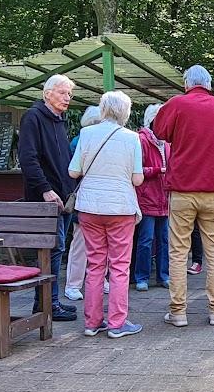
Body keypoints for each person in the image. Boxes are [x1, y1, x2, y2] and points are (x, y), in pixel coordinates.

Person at [69, 91, 144, 338]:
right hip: (120, 208)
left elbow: (73, 172)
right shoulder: (132, 138)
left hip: (89, 207)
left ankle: (92, 322)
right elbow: (137, 178)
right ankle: (117, 323)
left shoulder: (87, 134)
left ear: (102, 110)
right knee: (120, 266)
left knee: (95, 265)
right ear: (126, 112)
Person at [154, 64, 214, 327]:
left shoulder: (177, 104)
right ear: (209, 84)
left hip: (181, 190)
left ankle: (178, 312)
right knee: (213, 253)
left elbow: (159, 132)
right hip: (213, 190)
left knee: (178, 252)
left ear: (187, 83)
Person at [18, 74, 78, 321]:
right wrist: (44, 189)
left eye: (69, 94)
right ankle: (47, 304)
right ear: (48, 93)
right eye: (63, 93)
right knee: (52, 250)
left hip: (63, 198)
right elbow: (28, 158)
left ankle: (49, 302)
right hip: (45, 199)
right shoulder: (33, 118)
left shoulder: (59, 121)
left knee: (56, 250)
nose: (67, 98)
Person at [65, 105, 102, 301]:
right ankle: (76, 284)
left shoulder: (77, 141)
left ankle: (74, 284)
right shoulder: (81, 141)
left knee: (80, 243)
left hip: (85, 199)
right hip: (91, 199)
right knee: (89, 244)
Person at [133, 104, 169, 292]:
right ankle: (142, 277)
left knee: (164, 240)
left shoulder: (167, 142)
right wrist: (157, 171)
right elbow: (136, 170)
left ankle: (164, 276)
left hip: (164, 199)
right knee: (146, 240)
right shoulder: (142, 140)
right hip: (148, 199)